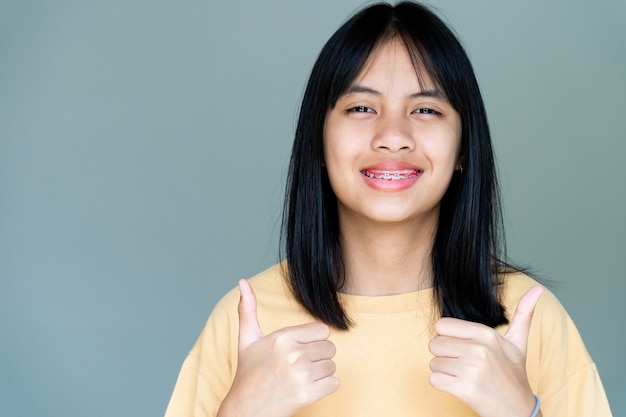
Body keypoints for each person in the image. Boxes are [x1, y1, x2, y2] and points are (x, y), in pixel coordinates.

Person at [164, 2, 612, 416]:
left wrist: (523, 412)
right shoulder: (248, 323)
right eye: (361, 107)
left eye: (426, 110)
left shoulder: (529, 319)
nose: (393, 135)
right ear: (318, 142)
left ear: (463, 149)